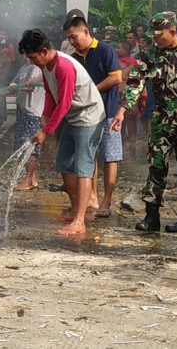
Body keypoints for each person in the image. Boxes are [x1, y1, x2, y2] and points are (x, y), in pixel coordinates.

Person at [110, 11, 177, 233]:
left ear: (173, 31)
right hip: (161, 121)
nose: (156, 40)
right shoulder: (149, 55)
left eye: (159, 36)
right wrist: (122, 110)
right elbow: (135, 82)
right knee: (156, 166)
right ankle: (151, 216)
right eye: (153, 36)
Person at [19, 29, 105, 236]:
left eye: (32, 57)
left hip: (88, 116)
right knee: (64, 164)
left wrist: (46, 131)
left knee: (82, 167)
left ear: (44, 51)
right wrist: (45, 116)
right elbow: (50, 93)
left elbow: (64, 102)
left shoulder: (64, 66)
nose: (31, 62)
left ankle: (79, 221)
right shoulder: (46, 66)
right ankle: (74, 210)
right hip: (72, 117)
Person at [65, 15, 123, 218]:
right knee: (90, 155)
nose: (72, 41)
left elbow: (116, 77)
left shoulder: (104, 49)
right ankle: (91, 196)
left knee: (109, 156)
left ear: (86, 32)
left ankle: (107, 199)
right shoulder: (74, 57)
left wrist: (92, 92)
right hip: (87, 115)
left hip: (108, 111)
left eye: (74, 36)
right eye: (69, 38)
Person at [10, 58, 45, 190]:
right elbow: (13, 85)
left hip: (32, 112)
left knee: (31, 146)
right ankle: (32, 178)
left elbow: (26, 86)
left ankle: (29, 179)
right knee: (22, 145)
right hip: (22, 109)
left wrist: (16, 86)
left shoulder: (36, 69)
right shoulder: (24, 68)